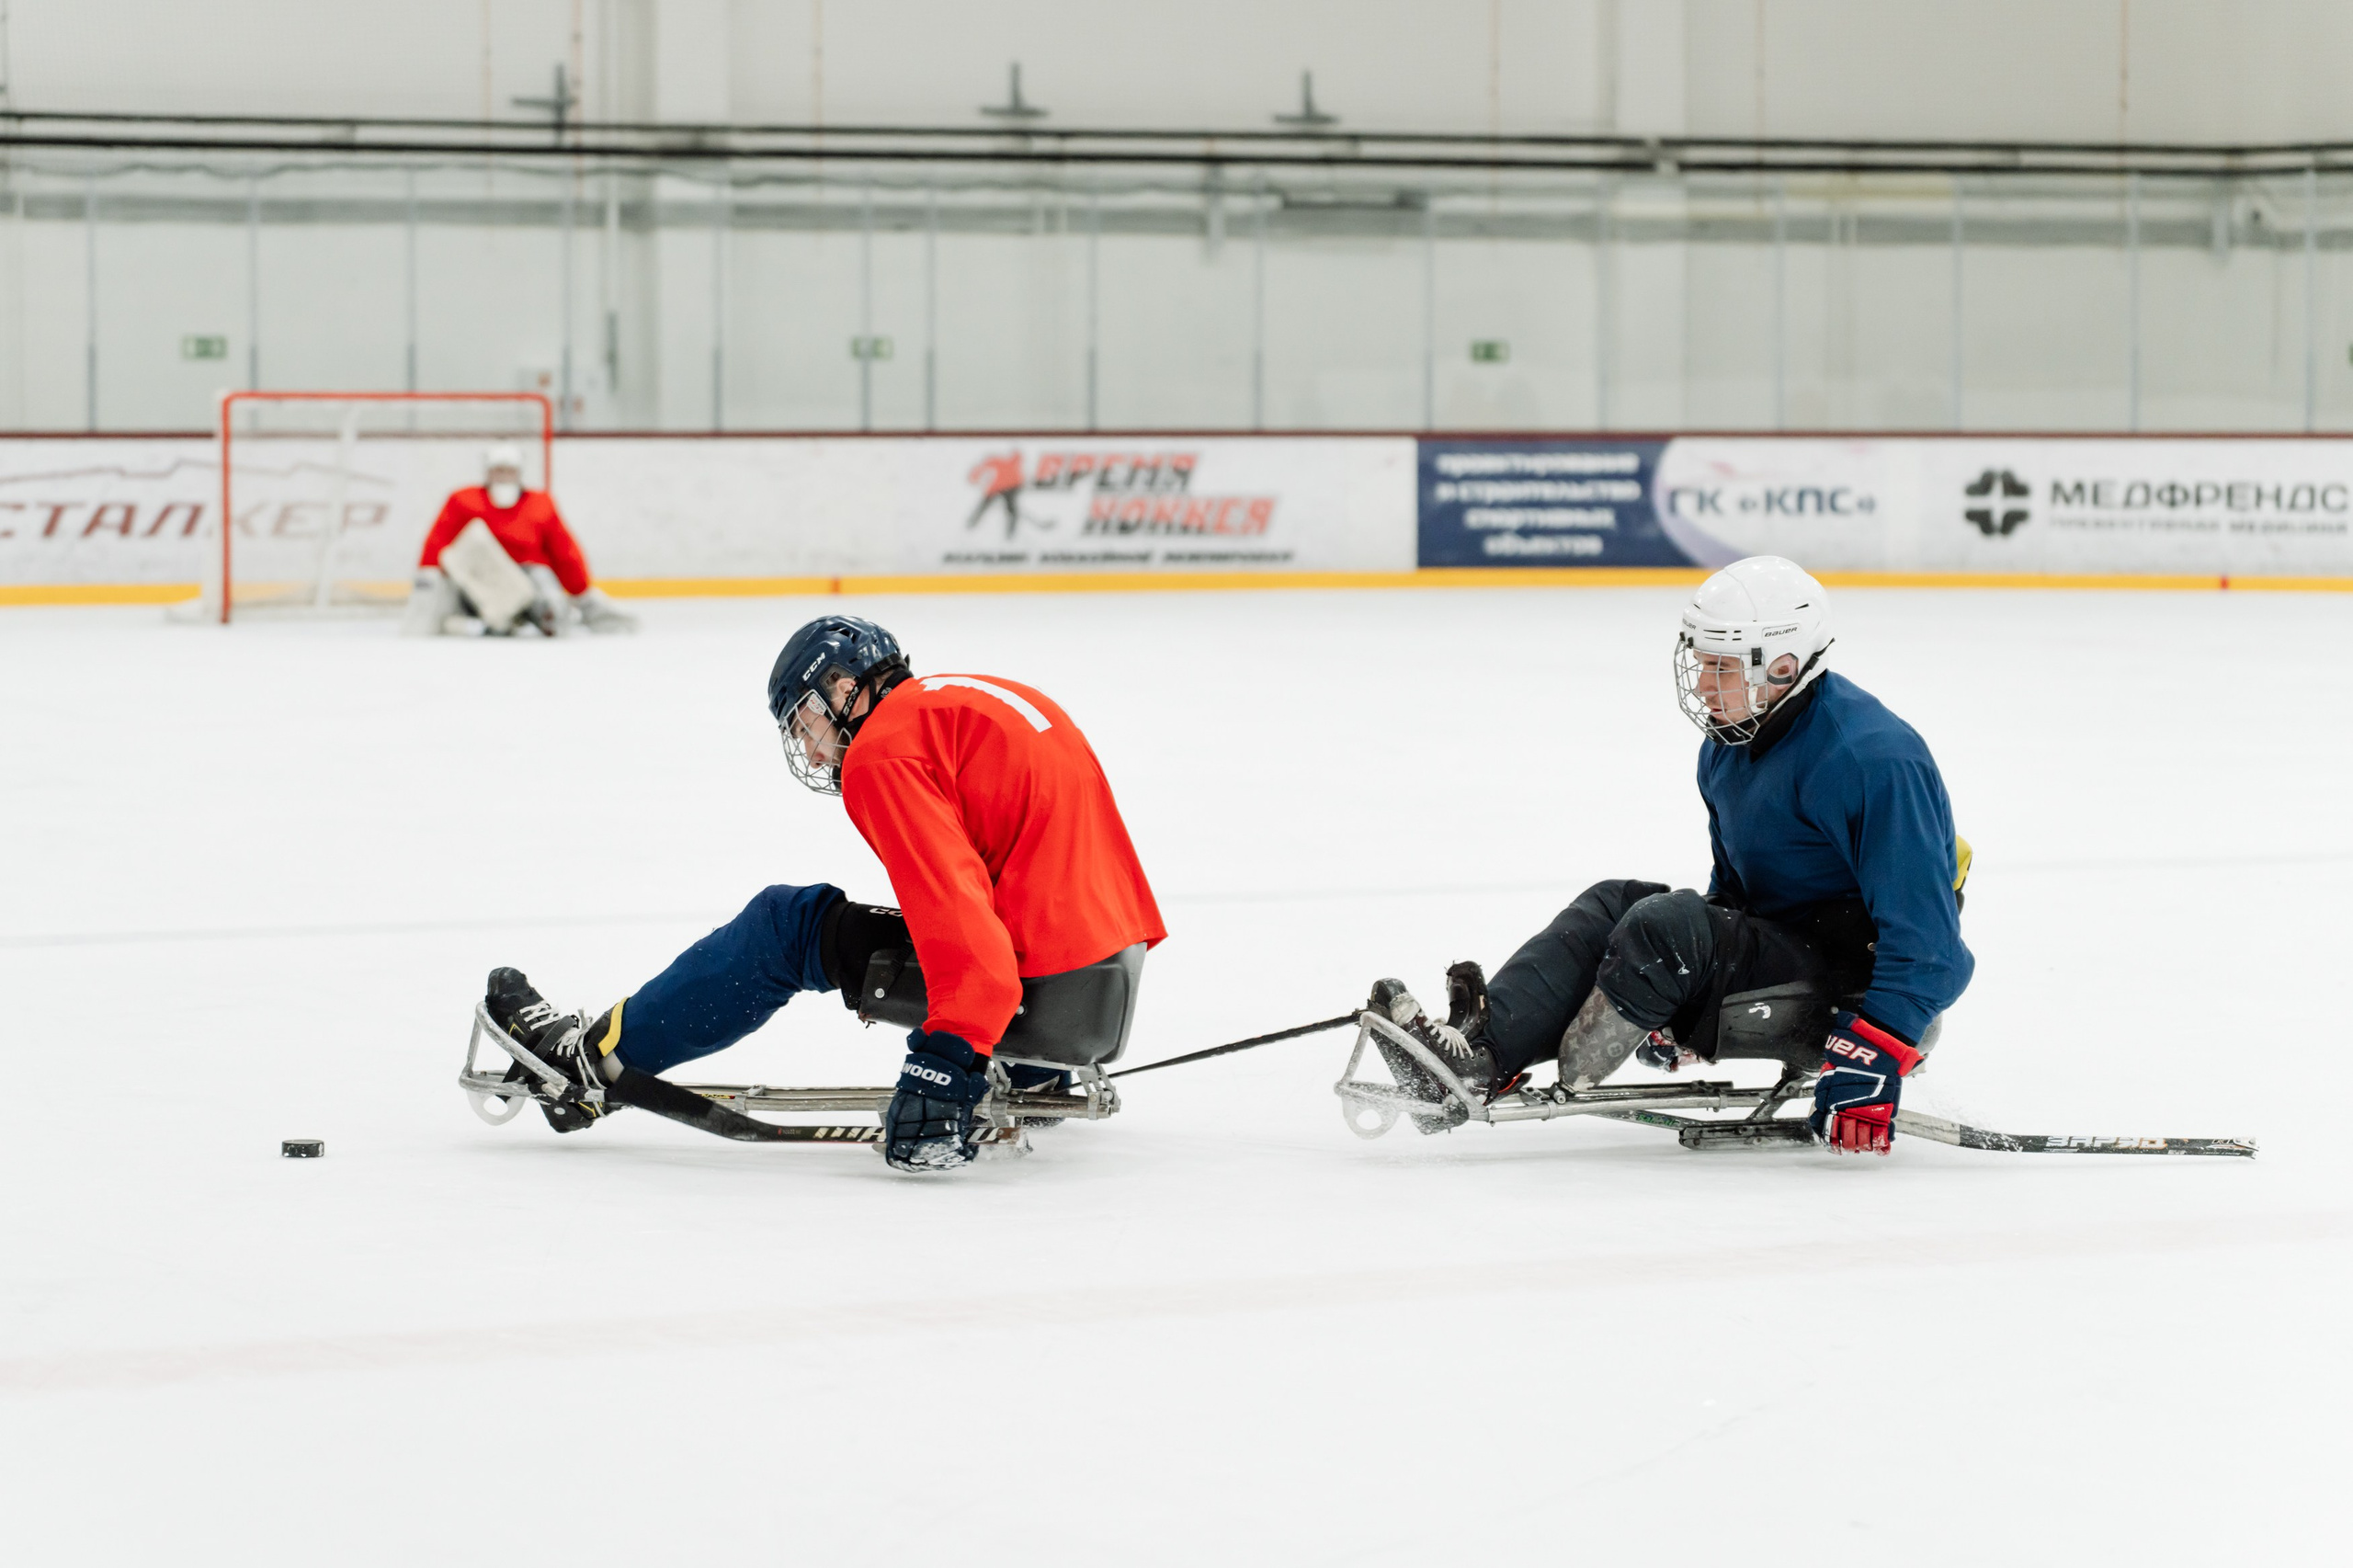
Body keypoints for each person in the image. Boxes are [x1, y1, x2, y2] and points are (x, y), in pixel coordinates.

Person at [483, 614, 1165, 1173]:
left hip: (1041, 998)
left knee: (790, 924)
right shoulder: (970, 697)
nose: (811, 753)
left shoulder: (886, 748)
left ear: (842, 688)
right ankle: (1033, 1072)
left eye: (805, 723)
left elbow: (957, 913)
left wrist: (947, 1060)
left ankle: (587, 1063)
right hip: (1105, 981)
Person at [1370, 555, 1972, 1155]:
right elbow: (1737, 900)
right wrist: (1677, 989)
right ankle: (1476, 1060)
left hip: (1860, 991)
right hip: (1790, 949)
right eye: (1701, 662)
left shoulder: (1872, 759)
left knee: (1662, 931)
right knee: (1617, 904)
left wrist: (1879, 1048)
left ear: (1784, 667)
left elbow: (1933, 948)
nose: (1704, 684)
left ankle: (1836, 1027)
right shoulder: (1727, 747)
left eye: (1723, 667)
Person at [401, 443, 637, 635]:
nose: (503, 477)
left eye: (509, 471)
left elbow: (563, 548)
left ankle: (547, 617)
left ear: (519, 473)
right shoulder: (463, 500)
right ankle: (494, 619)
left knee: (553, 609)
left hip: (530, 576)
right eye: (498, 470)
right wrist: (428, 577)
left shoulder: (540, 504)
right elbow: (438, 541)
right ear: (487, 473)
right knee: (478, 601)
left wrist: (580, 589)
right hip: (483, 580)